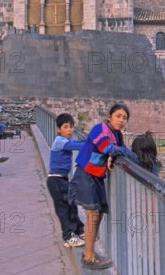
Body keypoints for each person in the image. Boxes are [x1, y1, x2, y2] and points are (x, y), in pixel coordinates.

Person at [69, 103, 131, 270]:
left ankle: (88, 252)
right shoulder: (99, 129)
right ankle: (89, 258)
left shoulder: (115, 134)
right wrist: (116, 153)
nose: (121, 120)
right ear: (109, 116)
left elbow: (118, 150)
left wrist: (117, 153)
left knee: (98, 215)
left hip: (96, 176)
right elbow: (108, 148)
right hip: (86, 174)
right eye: (118, 116)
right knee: (93, 215)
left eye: (124, 118)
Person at [47, 113, 86, 248]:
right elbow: (75, 145)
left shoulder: (64, 140)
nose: (70, 130)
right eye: (66, 127)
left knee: (71, 204)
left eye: (71, 127)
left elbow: (75, 144)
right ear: (58, 129)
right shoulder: (59, 141)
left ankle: (79, 230)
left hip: (62, 179)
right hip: (56, 180)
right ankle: (68, 236)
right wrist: (90, 143)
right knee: (63, 209)